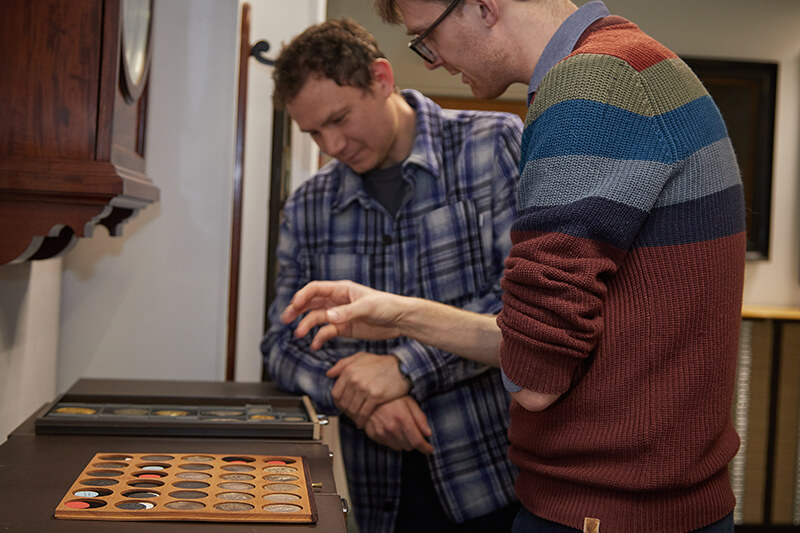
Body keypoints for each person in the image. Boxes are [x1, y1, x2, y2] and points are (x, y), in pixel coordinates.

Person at [281, 1, 747, 532]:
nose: (430, 60)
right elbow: (541, 339)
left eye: (425, 37)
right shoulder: (635, 66)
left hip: (607, 508)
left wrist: (404, 361)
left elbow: (533, 374)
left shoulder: (592, 88)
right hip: (634, 500)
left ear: (482, 6)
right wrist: (399, 314)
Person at [260, 18, 524, 533]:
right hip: (369, 493)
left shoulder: (491, 147)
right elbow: (281, 343)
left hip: (493, 482)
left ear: (381, 78)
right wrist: (354, 396)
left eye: (339, 118)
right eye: (314, 132)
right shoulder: (309, 206)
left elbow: (520, 308)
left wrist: (405, 368)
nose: (331, 145)